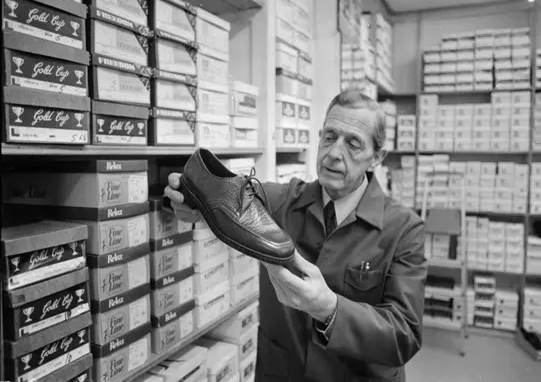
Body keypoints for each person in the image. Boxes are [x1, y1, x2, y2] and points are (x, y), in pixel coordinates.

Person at [164, 90, 427, 381]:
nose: (334, 153)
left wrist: (330, 309)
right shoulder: (282, 201)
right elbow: (226, 192)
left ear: (377, 157)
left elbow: (404, 335)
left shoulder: (404, 229)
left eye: (353, 144)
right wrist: (190, 201)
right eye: (329, 137)